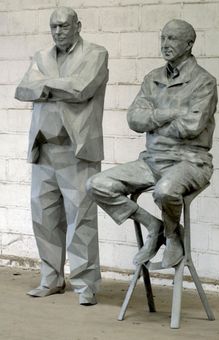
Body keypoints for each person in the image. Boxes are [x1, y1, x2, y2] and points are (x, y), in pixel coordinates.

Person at [87, 19, 217, 269]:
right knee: (97, 184)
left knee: (165, 190)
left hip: (190, 161)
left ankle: (171, 235)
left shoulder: (204, 81)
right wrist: (170, 113)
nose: (165, 44)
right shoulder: (152, 78)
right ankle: (153, 225)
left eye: (173, 39)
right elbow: (134, 119)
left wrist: (153, 118)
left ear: (190, 44)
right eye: (163, 38)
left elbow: (191, 127)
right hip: (152, 159)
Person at [15, 7, 108, 305]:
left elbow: (82, 88)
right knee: (44, 216)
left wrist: (43, 86)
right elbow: (22, 90)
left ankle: (85, 284)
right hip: (44, 149)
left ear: (78, 25)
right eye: (53, 26)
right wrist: (57, 87)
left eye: (64, 26)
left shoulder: (96, 53)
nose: (57, 32)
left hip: (77, 151)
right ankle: (51, 278)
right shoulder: (41, 57)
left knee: (81, 219)